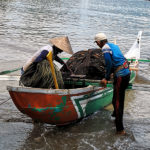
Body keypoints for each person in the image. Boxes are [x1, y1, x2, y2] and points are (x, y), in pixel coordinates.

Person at [94, 33, 130, 135]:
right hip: (126, 72)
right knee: (115, 99)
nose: (97, 44)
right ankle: (115, 118)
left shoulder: (105, 48)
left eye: (97, 42)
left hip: (121, 76)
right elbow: (120, 58)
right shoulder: (113, 46)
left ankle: (120, 130)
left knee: (118, 102)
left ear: (101, 42)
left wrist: (106, 78)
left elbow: (109, 64)